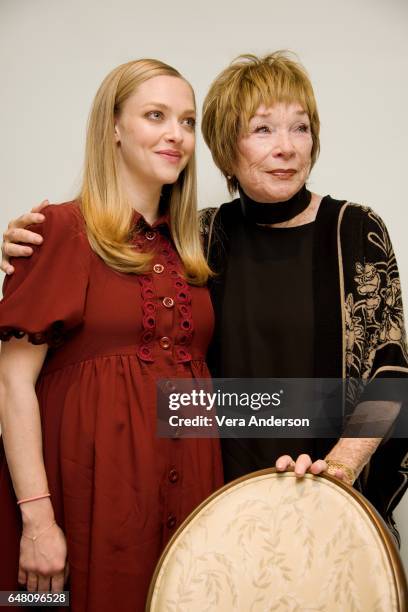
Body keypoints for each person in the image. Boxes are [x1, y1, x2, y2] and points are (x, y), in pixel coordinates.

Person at [3, 52, 408, 537]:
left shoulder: (354, 229)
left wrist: (336, 472)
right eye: (262, 130)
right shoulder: (196, 235)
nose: (287, 148)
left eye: (300, 129)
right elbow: (112, 261)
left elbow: (392, 370)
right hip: (216, 506)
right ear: (222, 146)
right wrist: (29, 241)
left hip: (329, 500)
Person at [0, 58, 223, 611]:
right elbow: (10, 383)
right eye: (156, 115)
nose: (177, 134)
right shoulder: (58, 229)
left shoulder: (192, 251)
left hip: (187, 499)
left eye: (188, 121)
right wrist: (37, 521)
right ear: (114, 128)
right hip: (84, 506)